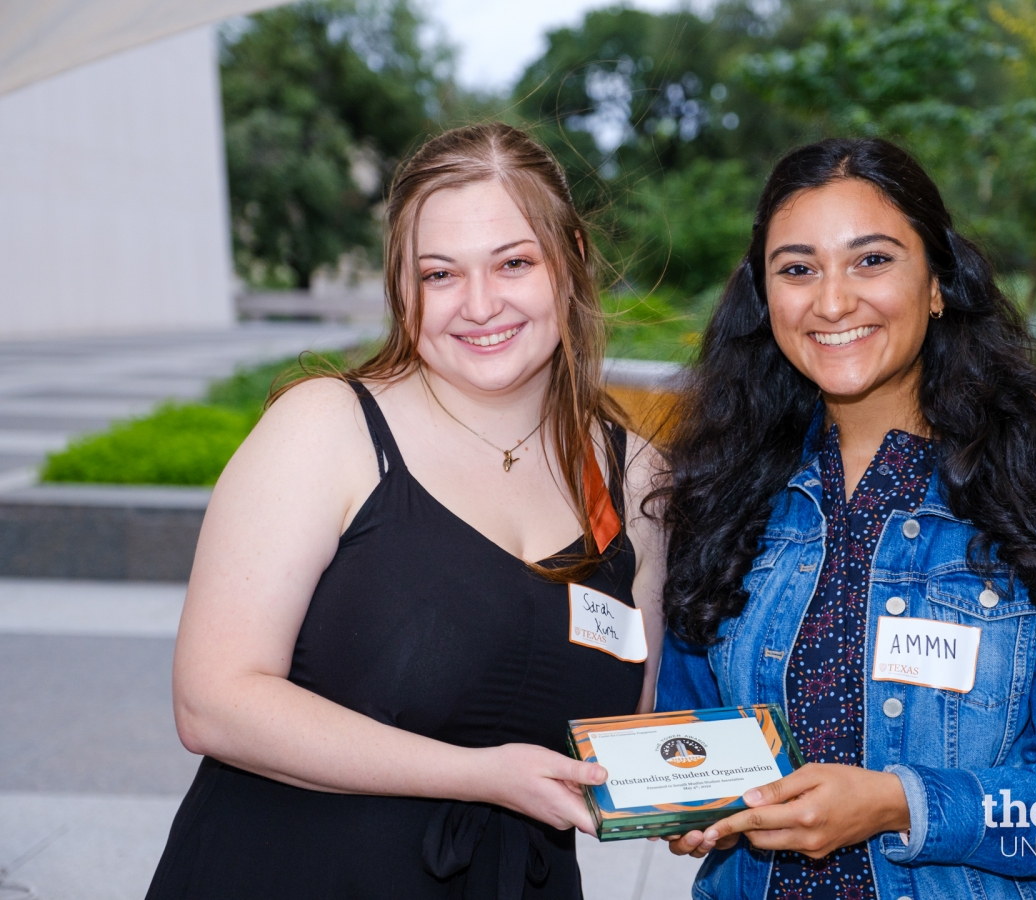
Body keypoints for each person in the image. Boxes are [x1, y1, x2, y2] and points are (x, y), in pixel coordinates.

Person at [145, 123, 666, 899]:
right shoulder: (329, 428)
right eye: (440, 274)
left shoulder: (634, 477)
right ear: (402, 286)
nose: (480, 304)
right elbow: (212, 701)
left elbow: (635, 727)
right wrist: (479, 775)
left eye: (514, 263)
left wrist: (727, 796)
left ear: (572, 262)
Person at [652, 137, 1036, 899]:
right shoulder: (722, 501)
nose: (831, 301)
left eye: (872, 260)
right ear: (765, 297)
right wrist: (686, 802)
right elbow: (686, 731)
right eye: (797, 269)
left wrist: (901, 804)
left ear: (938, 284)